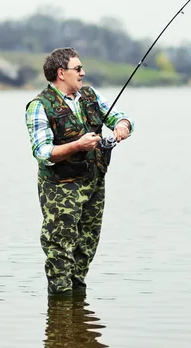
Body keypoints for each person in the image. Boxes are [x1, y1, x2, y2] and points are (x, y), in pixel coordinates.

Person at [25, 47, 134, 296]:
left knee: (87, 243)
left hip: (94, 182)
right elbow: (43, 152)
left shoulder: (90, 95)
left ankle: (77, 312)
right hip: (61, 188)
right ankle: (61, 302)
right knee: (60, 246)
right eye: (78, 69)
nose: (83, 73)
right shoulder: (39, 106)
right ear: (61, 73)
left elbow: (120, 117)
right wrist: (78, 145)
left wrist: (122, 126)